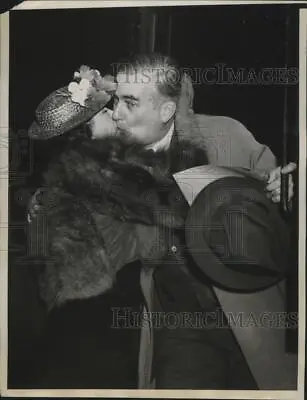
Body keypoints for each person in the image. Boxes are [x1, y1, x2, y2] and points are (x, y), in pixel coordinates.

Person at [23, 54, 295, 390]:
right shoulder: (110, 166)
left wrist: (288, 189)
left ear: (166, 111)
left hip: (249, 308)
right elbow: (108, 257)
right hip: (180, 320)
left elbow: (275, 186)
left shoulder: (224, 134)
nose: (116, 114)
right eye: (116, 100)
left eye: (129, 102)